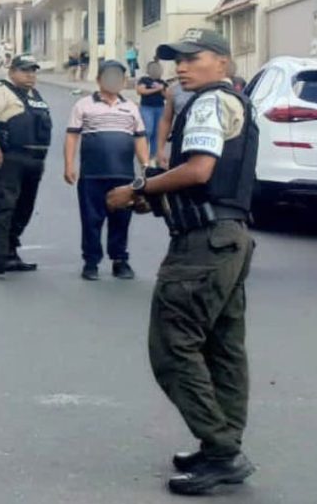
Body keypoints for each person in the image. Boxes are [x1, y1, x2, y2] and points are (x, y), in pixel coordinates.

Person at [105, 28, 259, 496]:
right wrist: (157, 197)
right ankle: (221, 444)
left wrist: (138, 190)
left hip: (204, 244)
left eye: (194, 58)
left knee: (173, 348)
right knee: (222, 348)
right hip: (228, 235)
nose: (182, 67)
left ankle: (222, 450)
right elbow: (208, 180)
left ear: (223, 63)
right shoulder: (231, 101)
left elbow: (199, 169)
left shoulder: (211, 102)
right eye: (178, 60)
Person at [65, 60, 150, 281]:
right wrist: (69, 165)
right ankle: (91, 262)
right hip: (92, 174)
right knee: (91, 219)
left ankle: (120, 261)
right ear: (99, 80)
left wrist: (145, 166)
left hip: (123, 176)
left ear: (123, 82)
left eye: (118, 78)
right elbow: (72, 136)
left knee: (121, 219)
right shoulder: (83, 105)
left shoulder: (131, 107)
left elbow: (139, 139)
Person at [0, 54, 52, 275]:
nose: (30, 74)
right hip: (7, 159)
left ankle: (11, 252)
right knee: (3, 206)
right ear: (12, 72)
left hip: (33, 160)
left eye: (33, 70)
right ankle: (0, 258)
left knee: (24, 208)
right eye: (24, 70)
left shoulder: (34, 95)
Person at [156, 79, 196, 169]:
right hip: (180, 140)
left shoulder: (215, 88)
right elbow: (166, 120)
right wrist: (160, 150)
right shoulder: (174, 89)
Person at [136, 61, 167, 157]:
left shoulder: (163, 82)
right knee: (148, 130)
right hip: (147, 108)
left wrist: (162, 89)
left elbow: (167, 96)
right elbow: (141, 91)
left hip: (160, 108)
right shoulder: (144, 80)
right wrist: (157, 89)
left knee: (157, 133)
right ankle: (142, 151)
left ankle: (153, 156)